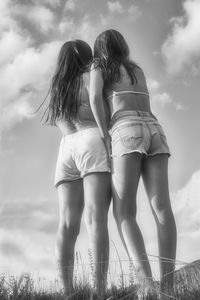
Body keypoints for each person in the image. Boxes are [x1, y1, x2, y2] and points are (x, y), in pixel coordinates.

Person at [89, 29, 177, 297]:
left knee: (124, 211)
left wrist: (105, 135)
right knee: (162, 208)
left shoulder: (100, 66)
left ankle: (146, 285)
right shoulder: (136, 70)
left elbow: (94, 98)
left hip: (125, 128)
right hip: (155, 128)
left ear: (99, 50)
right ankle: (170, 285)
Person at [44, 40, 111, 296]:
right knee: (96, 217)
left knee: (67, 224)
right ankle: (100, 289)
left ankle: (67, 291)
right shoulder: (90, 77)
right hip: (91, 139)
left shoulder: (58, 87)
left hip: (66, 149)